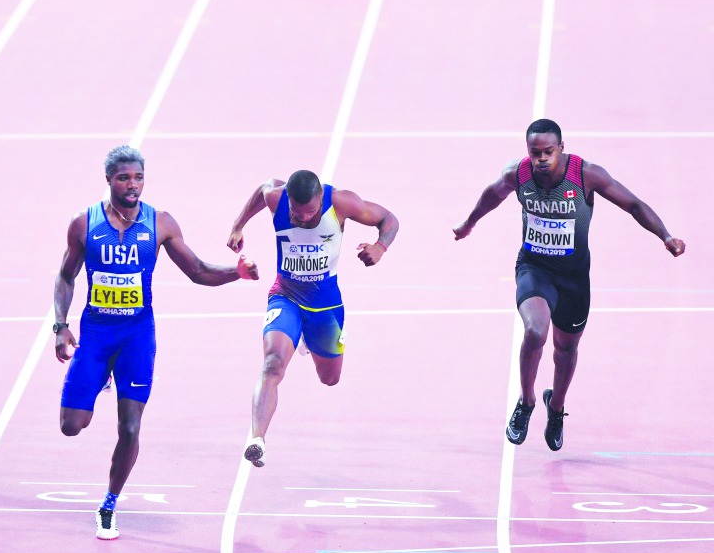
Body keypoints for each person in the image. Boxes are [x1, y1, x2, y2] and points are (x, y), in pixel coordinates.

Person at [54, 145, 259, 539]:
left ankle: (109, 505)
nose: (132, 185)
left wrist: (238, 273)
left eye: (138, 177)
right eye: (124, 178)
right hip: (96, 333)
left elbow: (197, 271)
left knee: (129, 428)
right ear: (109, 180)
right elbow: (66, 276)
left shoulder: (160, 224)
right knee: (71, 426)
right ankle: (101, 375)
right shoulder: (84, 224)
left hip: (136, 336)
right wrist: (60, 325)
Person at [454, 118, 685, 451]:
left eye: (548, 151)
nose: (542, 159)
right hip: (534, 268)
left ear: (561, 148)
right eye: (535, 153)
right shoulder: (518, 175)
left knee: (566, 350)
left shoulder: (586, 174)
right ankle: (527, 401)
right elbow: (493, 195)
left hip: (574, 278)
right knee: (535, 331)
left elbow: (632, 204)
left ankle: (557, 407)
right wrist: (468, 224)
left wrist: (665, 235)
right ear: (528, 152)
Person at [227, 169, 398, 468]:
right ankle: (257, 439)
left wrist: (380, 247)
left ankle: (306, 338)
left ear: (322, 198)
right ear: (288, 200)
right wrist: (238, 226)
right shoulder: (276, 198)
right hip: (286, 295)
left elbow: (389, 219)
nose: (304, 218)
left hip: (326, 304)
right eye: (297, 212)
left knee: (329, 379)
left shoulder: (342, 203)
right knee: (272, 364)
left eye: (311, 212)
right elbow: (262, 189)